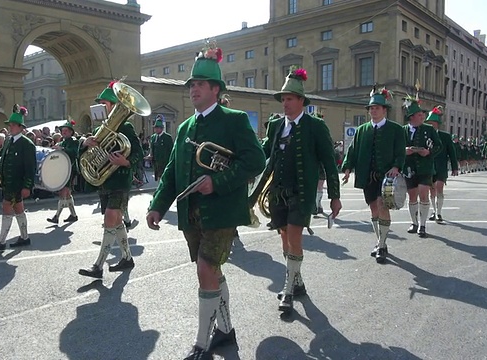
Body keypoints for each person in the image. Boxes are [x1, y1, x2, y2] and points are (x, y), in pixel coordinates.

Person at [146, 40, 265, 359]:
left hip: (222, 211)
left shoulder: (234, 119)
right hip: (191, 215)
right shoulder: (185, 126)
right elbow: (172, 170)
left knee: (205, 268)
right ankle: (226, 332)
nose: (193, 89)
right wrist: (158, 204)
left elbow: (256, 161)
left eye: (199, 84)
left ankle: (202, 343)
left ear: (215, 89)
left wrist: (219, 181)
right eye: (191, 85)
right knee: (211, 272)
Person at [261, 67, 341, 312]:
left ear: (300, 101)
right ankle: (298, 280)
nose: (285, 103)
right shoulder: (275, 126)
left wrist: (334, 196)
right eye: (283, 99)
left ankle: (287, 290)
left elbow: (329, 161)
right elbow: (265, 155)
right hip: (278, 193)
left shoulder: (315, 126)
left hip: (302, 194)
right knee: (285, 240)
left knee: (295, 237)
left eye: (289, 99)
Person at [78, 80, 144, 277]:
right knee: (115, 222)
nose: (100, 107)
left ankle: (98, 266)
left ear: (114, 106)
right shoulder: (100, 130)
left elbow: (139, 153)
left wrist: (126, 161)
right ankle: (127, 258)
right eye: (100, 103)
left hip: (120, 181)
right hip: (106, 181)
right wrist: (85, 144)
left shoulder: (127, 127)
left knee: (109, 219)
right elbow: (88, 158)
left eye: (104, 104)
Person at [342, 86, 405, 264]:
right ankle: (379, 241)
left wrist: (396, 166)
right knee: (374, 209)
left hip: (386, 178)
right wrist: (347, 168)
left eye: (377, 108)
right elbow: (352, 151)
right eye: (371, 108)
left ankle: (382, 244)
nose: (373, 111)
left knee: (382, 206)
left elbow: (400, 152)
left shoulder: (396, 130)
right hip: (367, 176)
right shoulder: (362, 130)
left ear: (384, 110)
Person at [0, 105, 36, 251]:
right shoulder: (8, 141)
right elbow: (3, 160)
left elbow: (30, 168)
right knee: (18, 208)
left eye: (13, 125)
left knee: (7, 206)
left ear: (21, 127)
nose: (10, 127)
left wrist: (27, 186)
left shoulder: (27, 144)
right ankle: (25, 237)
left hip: (18, 183)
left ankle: (1, 241)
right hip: (8, 182)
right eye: (10, 125)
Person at [402, 95, 442, 238]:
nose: (422, 116)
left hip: (425, 167)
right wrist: (404, 151)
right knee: (412, 196)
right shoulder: (403, 130)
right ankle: (414, 222)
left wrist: (429, 152)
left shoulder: (429, 129)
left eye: (422, 114)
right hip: (409, 168)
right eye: (420, 114)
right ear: (412, 117)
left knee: (423, 193)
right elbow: (395, 148)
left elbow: (439, 146)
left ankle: (423, 225)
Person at [425, 106, 459, 223]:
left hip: (441, 166)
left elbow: (452, 152)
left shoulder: (445, 136)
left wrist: (455, 167)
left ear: (437, 124)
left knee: (439, 188)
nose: (431, 125)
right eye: (429, 123)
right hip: (429, 166)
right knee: (431, 190)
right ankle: (434, 211)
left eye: (433, 123)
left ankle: (439, 213)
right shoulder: (425, 135)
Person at [47, 118, 80, 224]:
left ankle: (56, 216)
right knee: (67, 193)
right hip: (64, 168)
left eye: (66, 131)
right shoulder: (62, 142)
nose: (63, 132)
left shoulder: (74, 141)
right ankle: (73, 215)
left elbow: (74, 153)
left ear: (71, 132)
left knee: (63, 192)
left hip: (71, 168)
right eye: (62, 131)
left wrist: (62, 149)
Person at [149, 114, 174, 182]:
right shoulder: (153, 137)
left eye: (158, 127)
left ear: (162, 128)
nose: (156, 129)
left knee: (164, 179)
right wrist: (150, 155)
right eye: (155, 127)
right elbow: (152, 148)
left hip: (164, 162)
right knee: (158, 179)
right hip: (156, 163)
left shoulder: (167, 137)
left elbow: (172, 150)